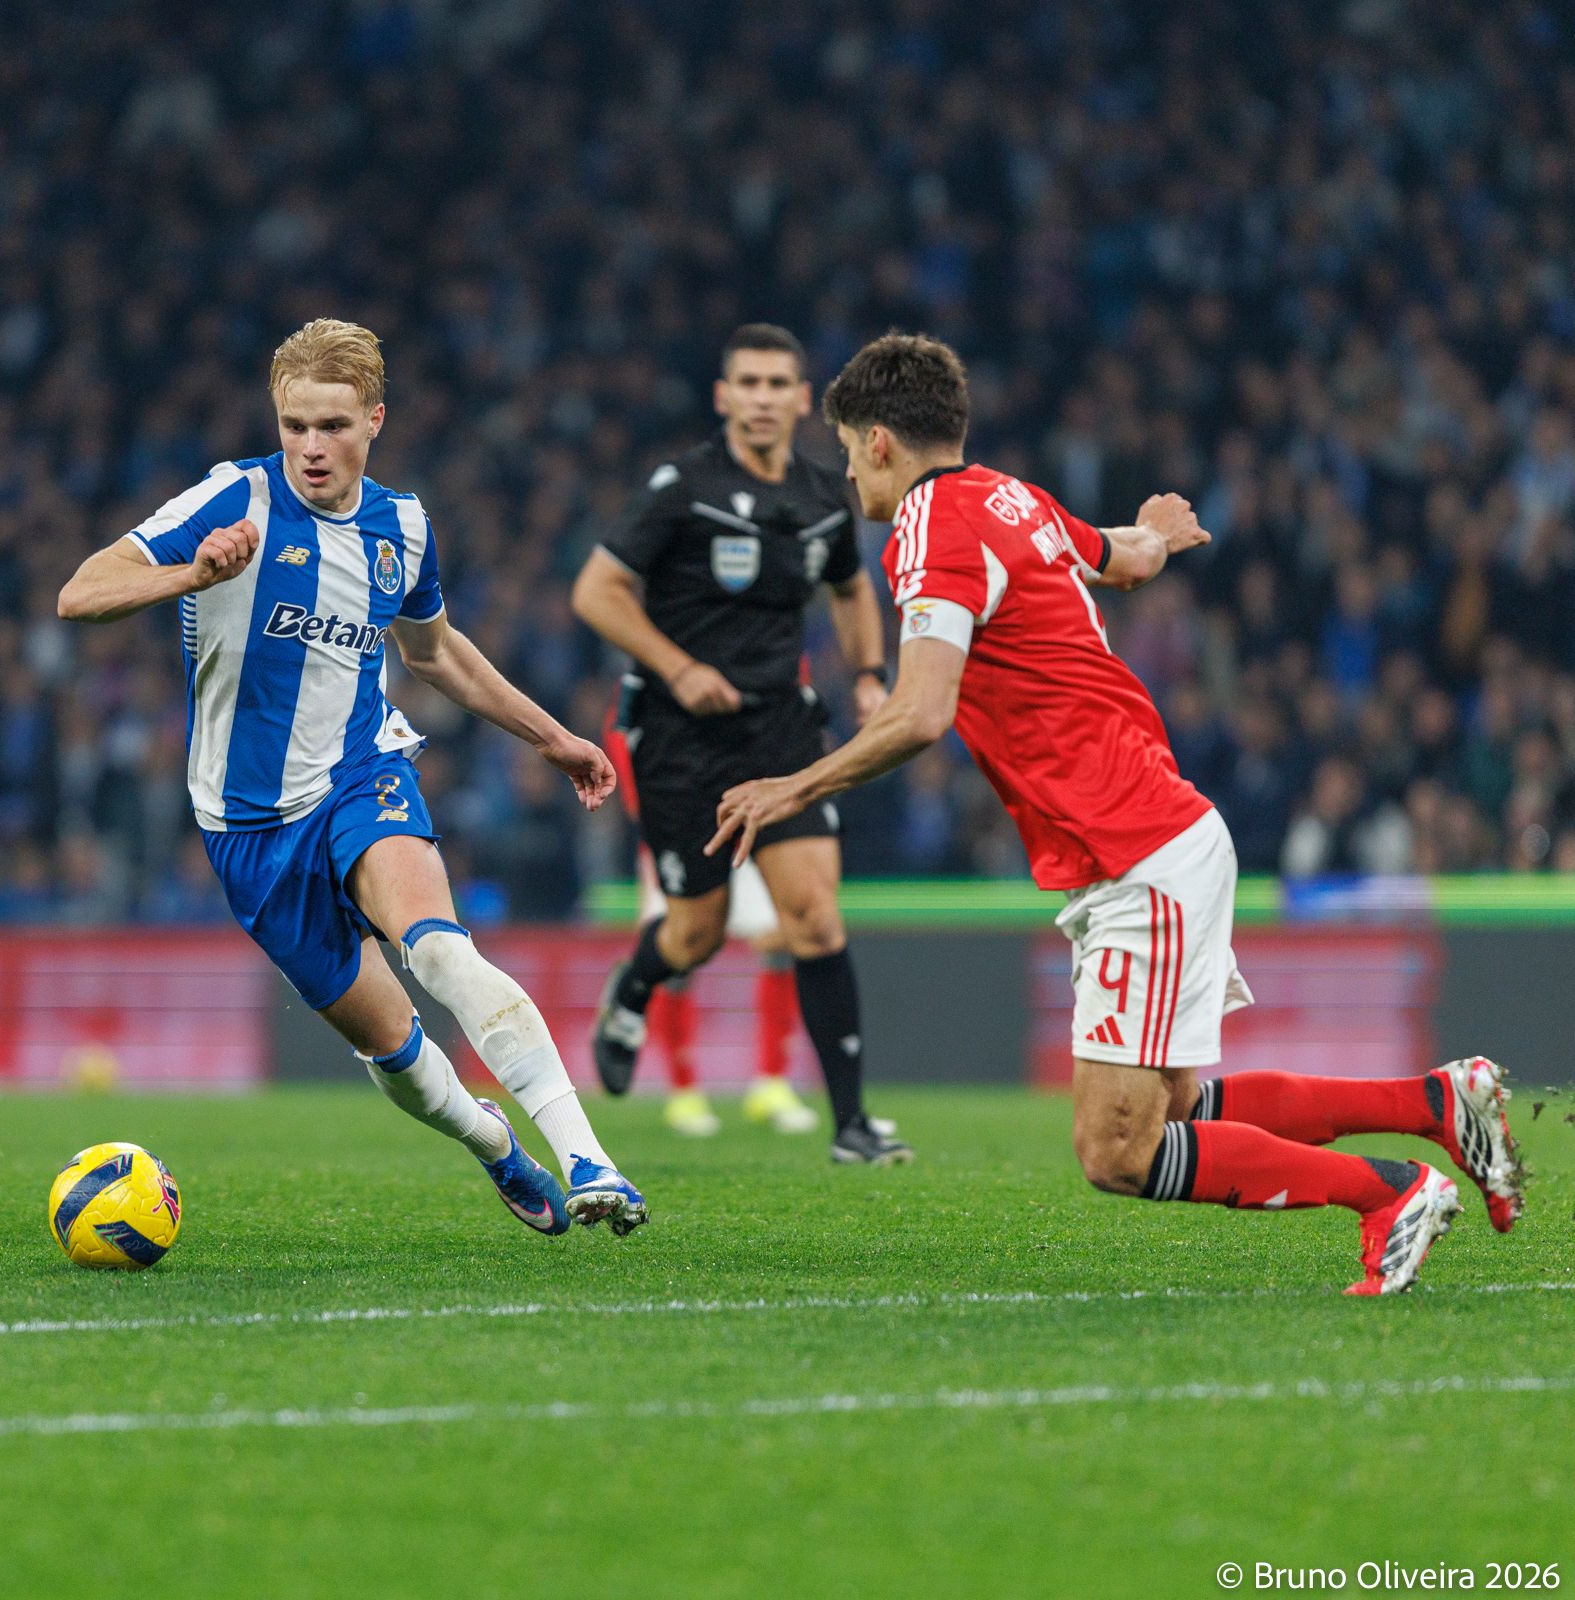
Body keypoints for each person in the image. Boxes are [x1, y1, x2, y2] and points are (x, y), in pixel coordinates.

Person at [710, 332, 1523, 1295]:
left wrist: (790, 786)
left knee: (1116, 1148)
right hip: (1152, 834)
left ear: (880, 441)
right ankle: (1436, 1102)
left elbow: (921, 712)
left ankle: (1387, 1193)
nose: (845, 470)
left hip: (1134, 848)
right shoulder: (1018, 501)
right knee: (1176, 1105)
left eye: (846, 448)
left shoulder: (928, 528)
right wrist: (1156, 530)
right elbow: (1125, 558)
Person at [58, 318, 647, 1235]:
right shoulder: (230, 499)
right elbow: (81, 591)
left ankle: (591, 1162)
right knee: (397, 1053)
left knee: (440, 949)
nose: (310, 447)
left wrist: (553, 736)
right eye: (294, 425)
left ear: (374, 419)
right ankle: (496, 1147)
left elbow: (435, 653)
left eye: (331, 425)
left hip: (359, 773)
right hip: (245, 826)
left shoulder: (401, 526)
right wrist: (186, 574)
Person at [572, 324, 907, 1162]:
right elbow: (597, 591)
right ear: (723, 397)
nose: (761, 398)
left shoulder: (825, 496)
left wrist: (868, 674)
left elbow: (849, 589)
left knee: (814, 919)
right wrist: (678, 669)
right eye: (746, 383)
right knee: (698, 934)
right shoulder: (681, 488)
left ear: (802, 399)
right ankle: (634, 984)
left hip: (780, 729)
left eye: (776, 384)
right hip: (681, 735)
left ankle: (852, 1126)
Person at [599, 701, 819, 1138]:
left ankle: (771, 1083)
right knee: (679, 951)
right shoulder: (655, 681)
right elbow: (624, 736)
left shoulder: (751, 661)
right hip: (678, 825)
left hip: (746, 820)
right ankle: (684, 1092)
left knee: (779, 938)